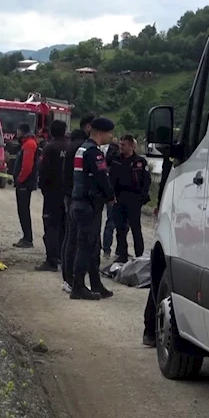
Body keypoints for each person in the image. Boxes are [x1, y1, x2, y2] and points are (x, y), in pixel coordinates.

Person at [69, 117, 116, 300]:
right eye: (109, 133)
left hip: (78, 202)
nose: (111, 136)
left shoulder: (82, 149)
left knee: (92, 246)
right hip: (88, 205)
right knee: (86, 246)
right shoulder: (94, 153)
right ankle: (78, 286)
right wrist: (110, 196)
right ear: (101, 133)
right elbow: (101, 177)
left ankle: (95, 283)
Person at [143, 141, 178, 347]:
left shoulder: (171, 156)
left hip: (170, 206)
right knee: (162, 272)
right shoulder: (172, 158)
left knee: (161, 272)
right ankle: (150, 329)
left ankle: (150, 330)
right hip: (173, 208)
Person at [60, 113, 94, 293]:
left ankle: (67, 278)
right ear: (88, 127)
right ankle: (73, 279)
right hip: (78, 197)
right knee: (76, 240)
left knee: (69, 238)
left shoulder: (71, 145)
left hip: (69, 195)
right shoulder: (82, 147)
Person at [111, 134, 152, 263]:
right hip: (119, 197)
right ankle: (122, 255)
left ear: (131, 145)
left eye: (123, 145)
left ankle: (139, 255)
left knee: (135, 228)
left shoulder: (139, 162)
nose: (121, 147)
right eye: (120, 145)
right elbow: (111, 179)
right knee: (120, 229)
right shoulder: (116, 160)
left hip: (134, 198)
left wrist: (142, 197)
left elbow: (146, 181)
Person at [36, 120, 69, 271]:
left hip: (51, 193)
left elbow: (43, 171)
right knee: (64, 226)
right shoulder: (70, 147)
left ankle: (51, 260)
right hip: (67, 193)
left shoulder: (49, 148)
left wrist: (43, 188)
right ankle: (63, 257)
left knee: (50, 226)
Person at [12, 123, 39, 248]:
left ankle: (27, 239)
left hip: (24, 184)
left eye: (17, 131)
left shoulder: (29, 144)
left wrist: (20, 180)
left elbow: (27, 166)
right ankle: (26, 237)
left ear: (21, 131)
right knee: (23, 210)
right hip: (25, 183)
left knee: (23, 210)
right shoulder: (28, 143)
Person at [101, 140, 120, 258]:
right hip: (118, 194)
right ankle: (118, 250)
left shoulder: (107, 163)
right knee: (120, 224)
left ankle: (106, 250)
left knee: (110, 222)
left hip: (110, 194)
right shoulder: (118, 162)